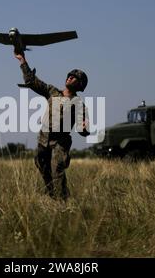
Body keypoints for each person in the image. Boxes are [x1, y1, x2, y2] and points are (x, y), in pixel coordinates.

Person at [15, 51, 90, 200]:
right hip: (43, 139)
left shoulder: (79, 104)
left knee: (57, 170)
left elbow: (82, 130)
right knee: (43, 167)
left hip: (60, 142)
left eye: (75, 77)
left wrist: (85, 128)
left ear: (80, 85)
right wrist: (22, 61)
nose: (70, 77)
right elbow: (32, 82)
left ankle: (62, 203)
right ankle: (52, 197)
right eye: (70, 75)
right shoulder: (52, 91)